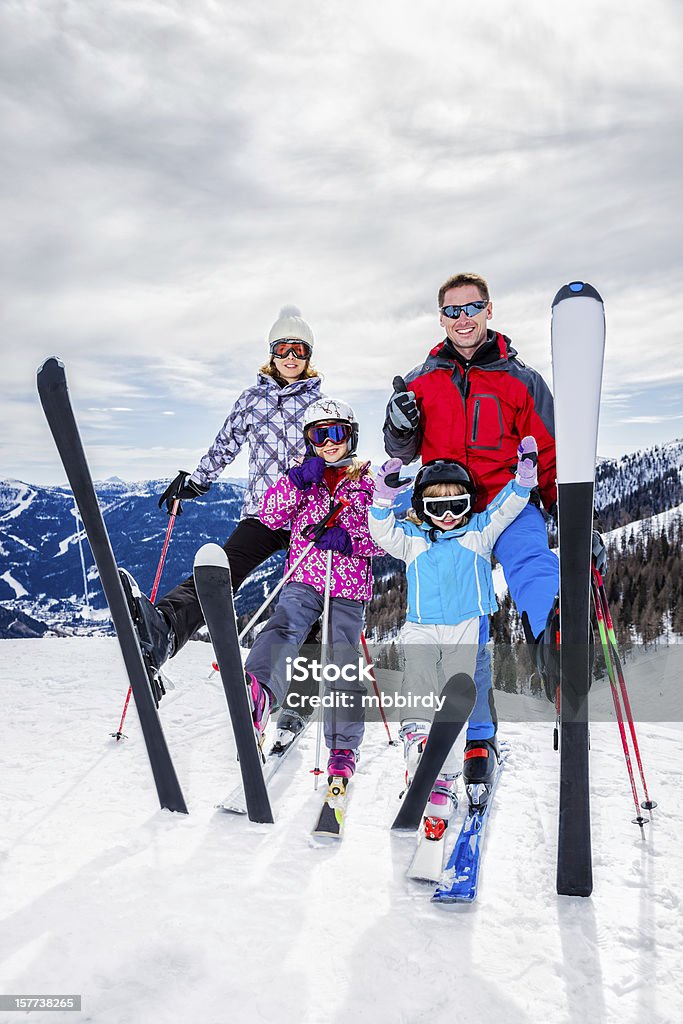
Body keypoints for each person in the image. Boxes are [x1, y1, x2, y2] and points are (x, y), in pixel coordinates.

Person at [384, 271, 607, 743]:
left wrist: (573, 522)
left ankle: (555, 636)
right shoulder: (422, 382)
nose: (462, 318)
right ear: (441, 318)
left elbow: (549, 454)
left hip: (508, 500)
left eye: (472, 307)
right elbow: (401, 455)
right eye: (452, 310)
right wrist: (399, 428)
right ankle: (479, 737)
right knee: (470, 634)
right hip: (447, 512)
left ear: (489, 309)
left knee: (529, 558)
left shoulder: (521, 381)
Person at [121, 306, 326, 737]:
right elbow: (225, 443)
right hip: (265, 511)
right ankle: (164, 632)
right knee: (220, 575)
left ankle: (299, 702)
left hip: (310, 516)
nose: (291, 357)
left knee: (308, 602)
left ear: (309, 356)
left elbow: (335, 453)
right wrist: (196, 482)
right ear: (271, 354)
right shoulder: (251, 401)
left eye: (299, 350)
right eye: (283, 349)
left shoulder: (321, 404)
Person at [369, 439, 539, 801]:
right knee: (418, 672)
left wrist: (523, 482)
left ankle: (445, 775)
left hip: (465, 627)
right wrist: (382, 501)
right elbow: (381, 533)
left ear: (469, 503)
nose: (448, 515)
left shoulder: (478, 532)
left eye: (456, 505)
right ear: (421, 507)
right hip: (422, 624)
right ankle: (416, 736)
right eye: (437, 506)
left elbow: (505, 510)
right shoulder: (412, 539)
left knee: (458, 692)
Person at [243, 397, 383, 779]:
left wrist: (350, 539)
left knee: (341, 657)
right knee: (284, 624)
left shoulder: (368, 484)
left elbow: (384, 538)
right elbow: (270, 516)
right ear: (308, 440)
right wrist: (296, 481)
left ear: (350, 435)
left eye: (336, 432)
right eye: (318, 435)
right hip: (305, 575)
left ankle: (342, 747)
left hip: (349, 584)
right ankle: (258, 692)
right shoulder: (303, 478)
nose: (328, 442)